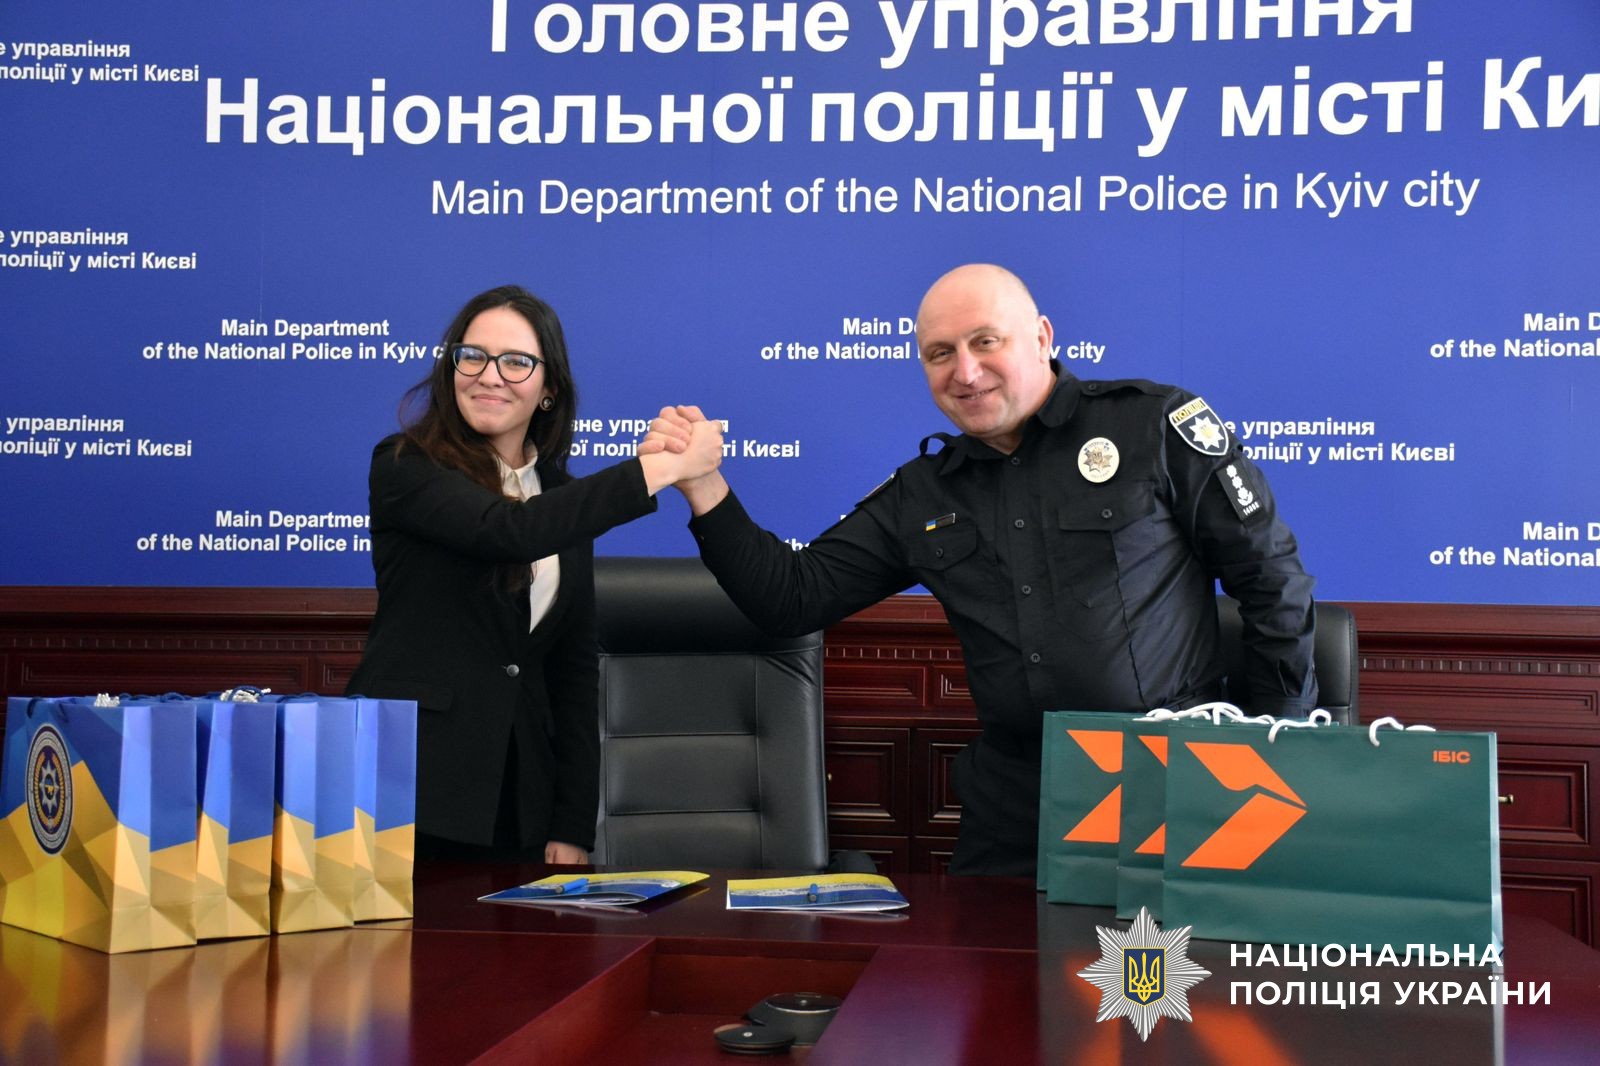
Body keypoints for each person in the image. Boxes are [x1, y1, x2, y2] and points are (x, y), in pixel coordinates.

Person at [642, 263, 1317, 876]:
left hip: (1174, 787)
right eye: (940, 354)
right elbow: (790, 598)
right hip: (1016, 810)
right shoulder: (924, 493)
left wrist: (1273, 754)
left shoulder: (1153, 425)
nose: (964, 372)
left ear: (1042, 337)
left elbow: (1273, 581)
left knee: (1166, 978)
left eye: (985, 342)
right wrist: (704, 486)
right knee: (991, 972)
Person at [348, 284, 723, 863]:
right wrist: (659, 468)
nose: (490, 376)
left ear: (549, 389)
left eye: (516, 362)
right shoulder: (405, 465)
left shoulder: (562, 497)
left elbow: (572, 668)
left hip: (519, 797)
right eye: (473, 356)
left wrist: (572, 824)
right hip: (411, 785)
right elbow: (509, 531)